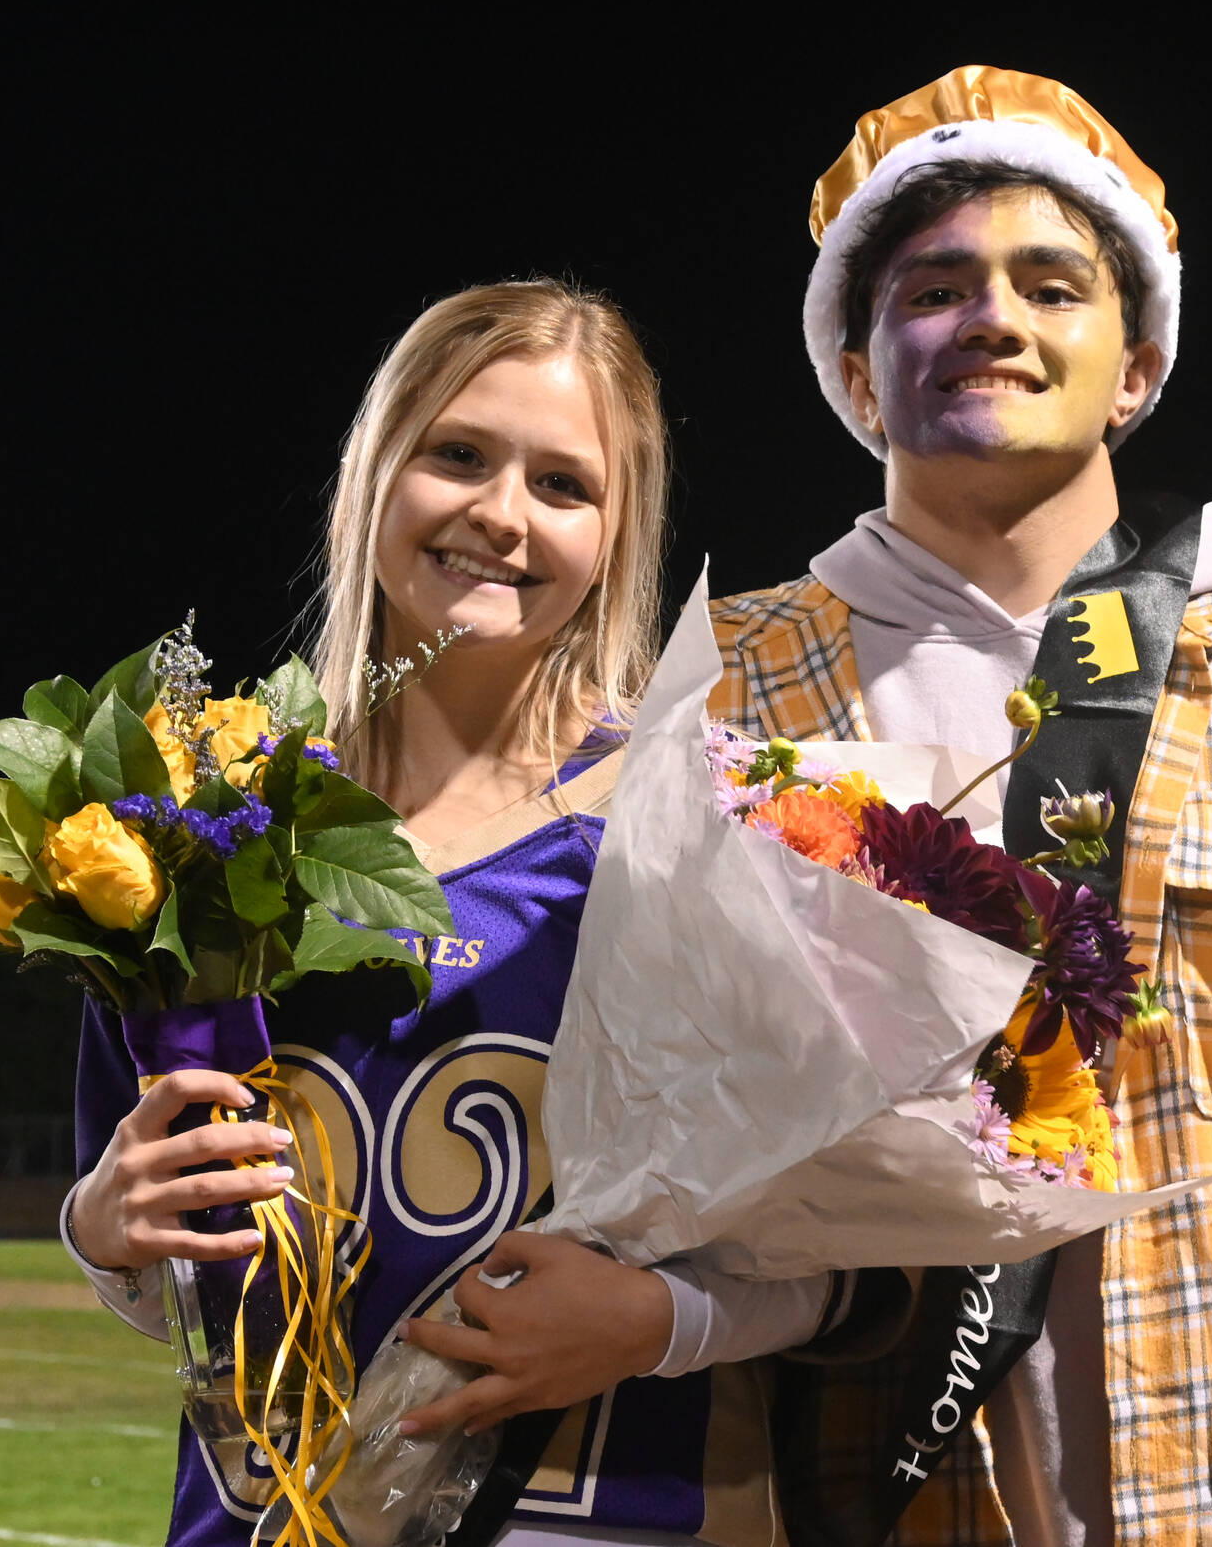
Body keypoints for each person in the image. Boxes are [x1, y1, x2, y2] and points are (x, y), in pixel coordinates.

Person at [708, 68, 1212, 1545]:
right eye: (934, 286)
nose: (996, 318)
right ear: (853, 370)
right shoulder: (724, 696)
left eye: (1051, 283)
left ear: (1138, 363)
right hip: (858, 1498)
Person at [62, 280, 832, 1546]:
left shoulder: (702, 824)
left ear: (617, 531)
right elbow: (163, 1274)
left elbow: (826, 1254)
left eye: (562, 483)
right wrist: (104, 1226)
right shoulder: (205, 818)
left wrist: (655, 1318)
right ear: (377, 473)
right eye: (459, 455)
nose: (499, 514)